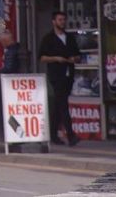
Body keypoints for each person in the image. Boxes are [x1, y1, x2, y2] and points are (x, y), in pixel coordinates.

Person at [39, 11, 81, 146]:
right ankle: (71, 135)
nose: (62, 22)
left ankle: (53, 135)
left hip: (69, 74)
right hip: (56, 75)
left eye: (64, 20)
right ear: (54, 21)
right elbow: (42, 57)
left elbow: (78, 55)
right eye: (60, 20)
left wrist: (74, 58)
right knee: (63, 104)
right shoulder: (48, 38)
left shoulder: (69, 37)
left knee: (58, 105)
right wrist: (56, 58)